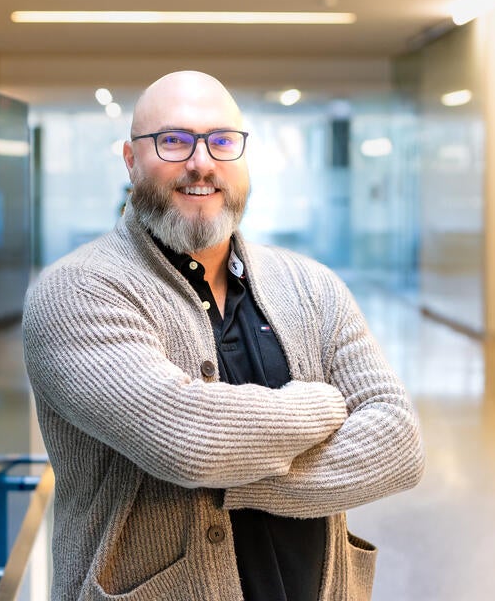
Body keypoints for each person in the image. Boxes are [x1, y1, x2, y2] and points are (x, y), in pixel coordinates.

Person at [23, 70, 424, 601]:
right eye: (172, 140)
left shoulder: (312, 286)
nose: (201, 162)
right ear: (129, 159)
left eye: (221, 141)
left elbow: (399, 443)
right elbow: (188, 441)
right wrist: (323, 408)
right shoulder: (74, 292)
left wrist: (229, 472)